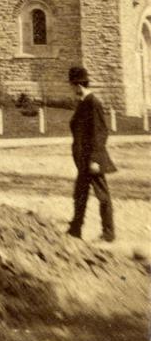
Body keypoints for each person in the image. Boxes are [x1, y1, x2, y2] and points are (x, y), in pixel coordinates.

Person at [66, 65, 116, 242]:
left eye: (72, 86)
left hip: (92, 160)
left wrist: (94, 160)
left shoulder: (92, 103)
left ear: (78, 85)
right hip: (84, 160)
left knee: (102, 195)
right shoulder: (83, 103)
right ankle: (75, 229)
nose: (71, 90)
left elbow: (100, 132)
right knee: (80, 193)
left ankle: (109, 233)